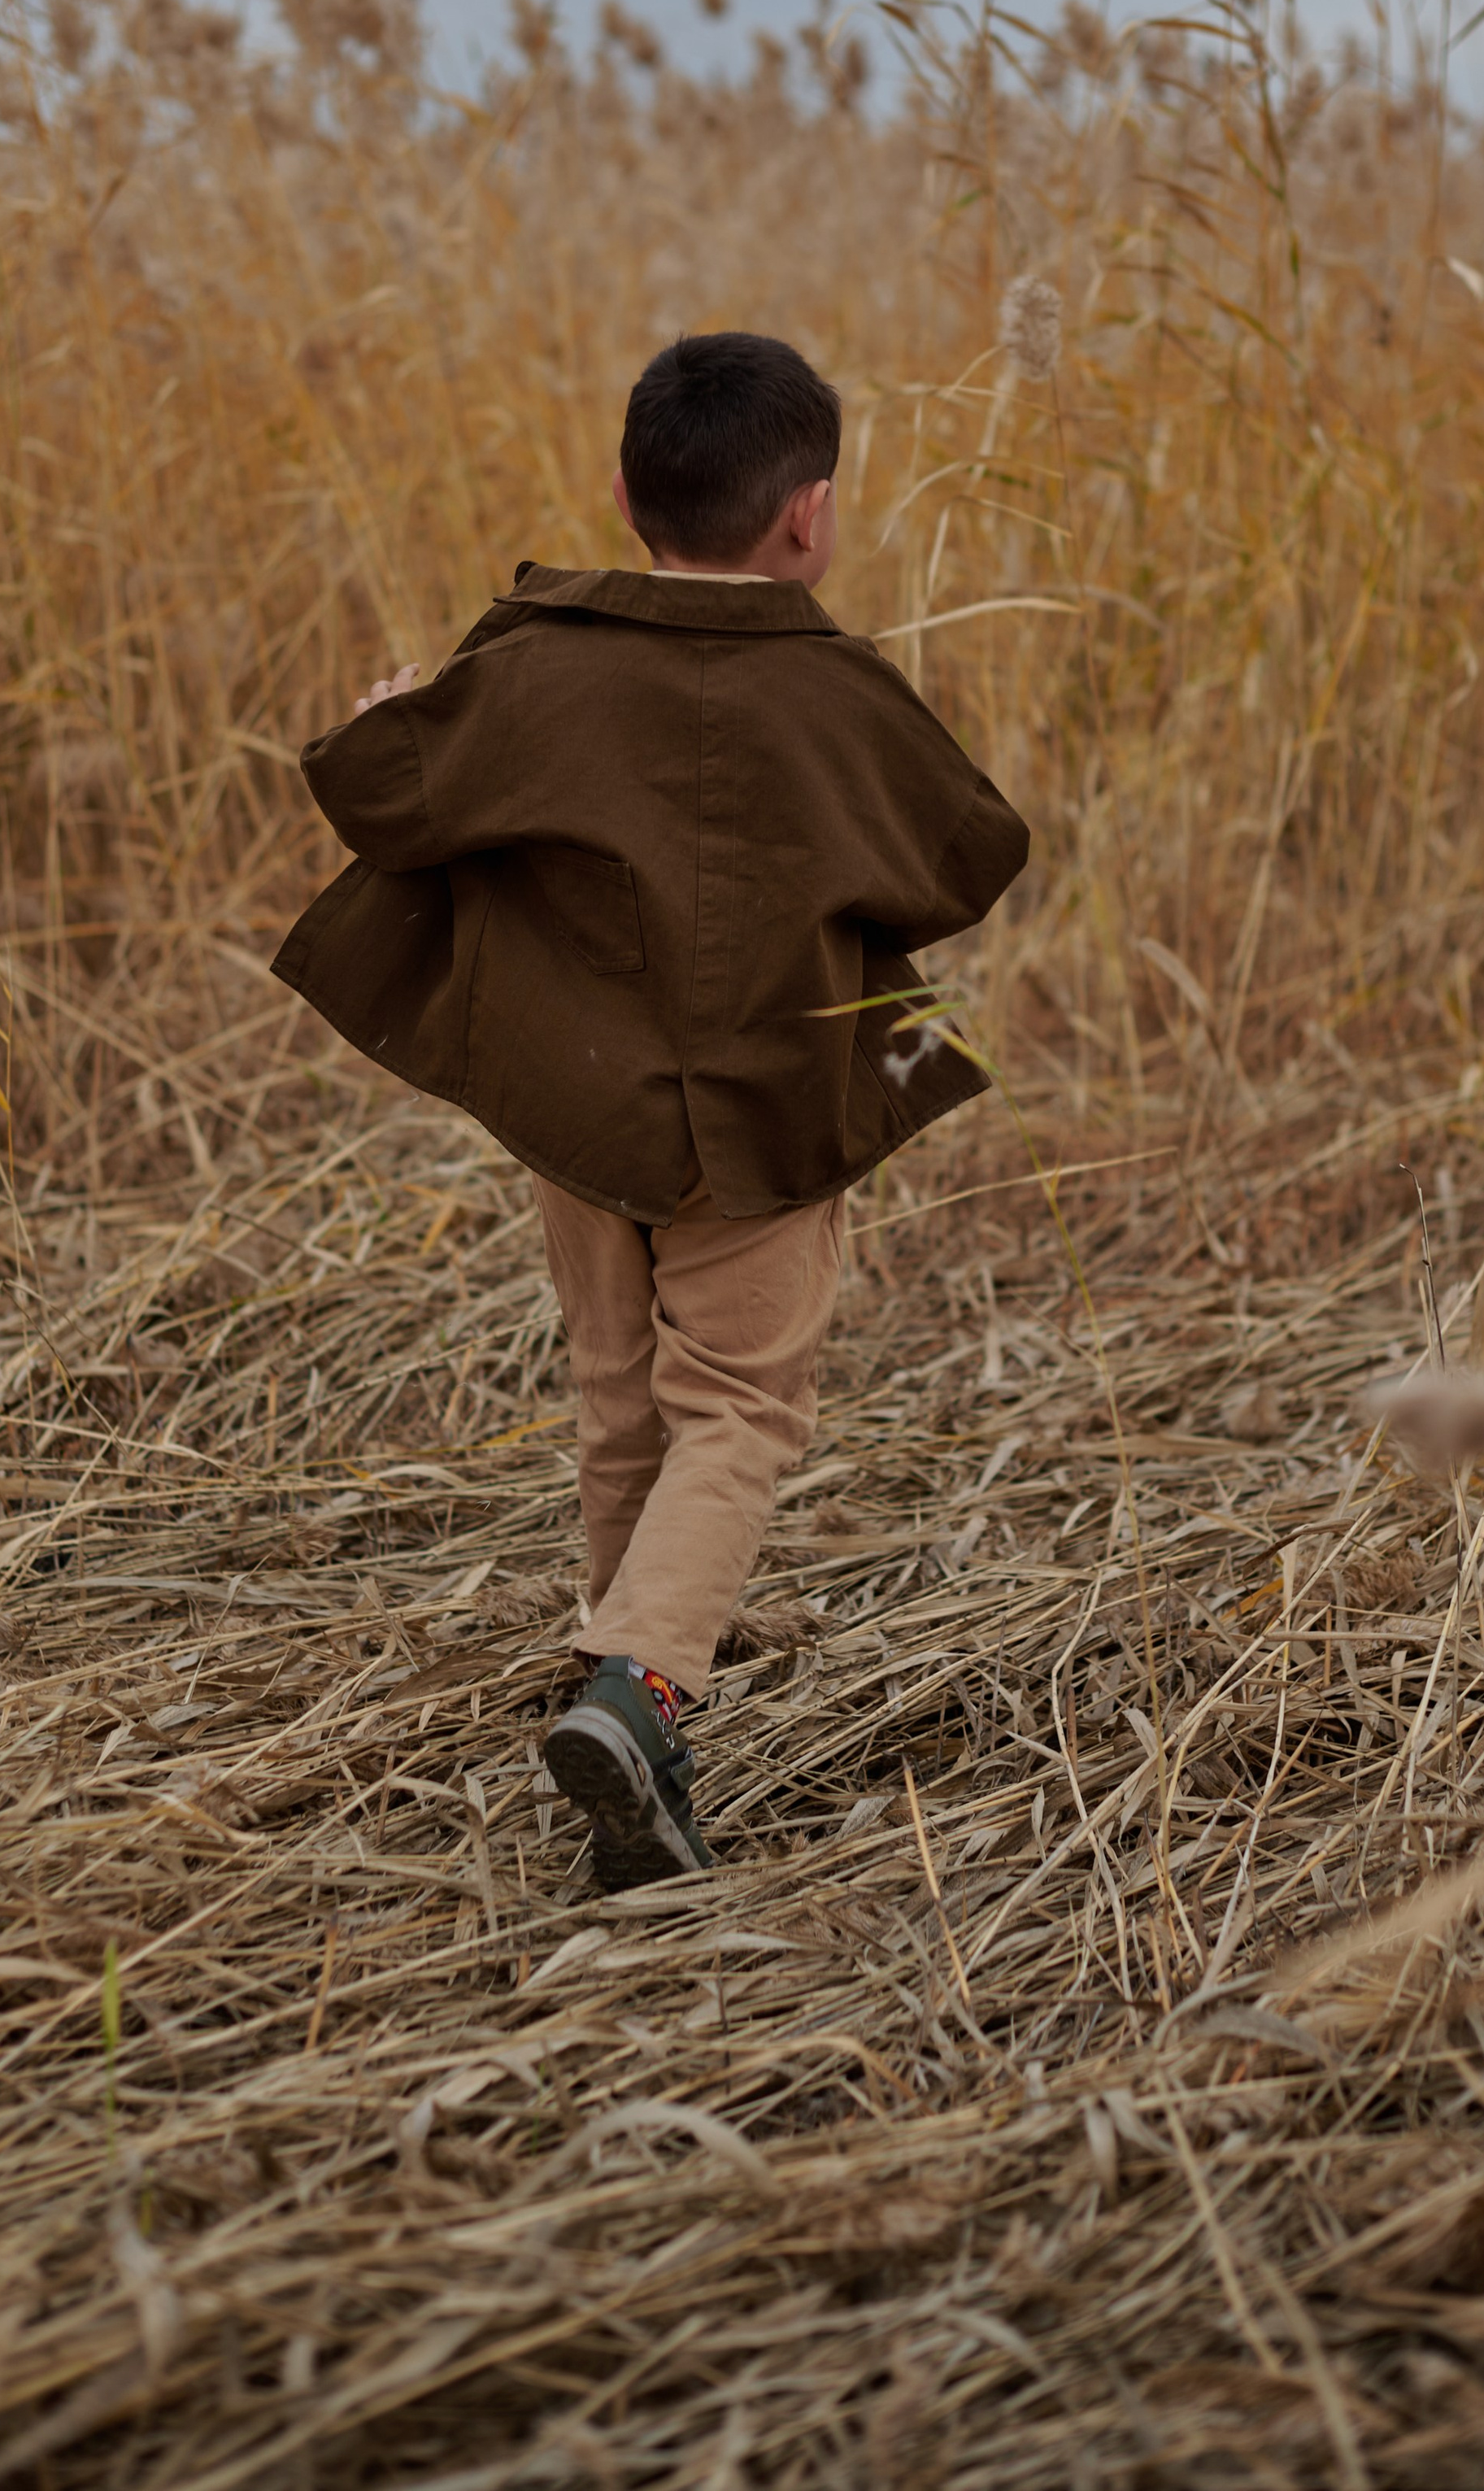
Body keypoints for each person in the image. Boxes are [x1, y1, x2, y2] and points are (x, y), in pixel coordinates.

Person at [273, 332, 1029, 1886]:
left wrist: (395, 707)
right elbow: (972, 859)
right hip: (764, 1107)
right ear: (809, 515)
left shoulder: (531, 665)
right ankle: (638, 1689)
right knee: (739, 1411)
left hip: (581, 1102)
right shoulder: (843, 696)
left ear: (626, 498)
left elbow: (378, 793)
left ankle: (633, 1708)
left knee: (623, 1397)